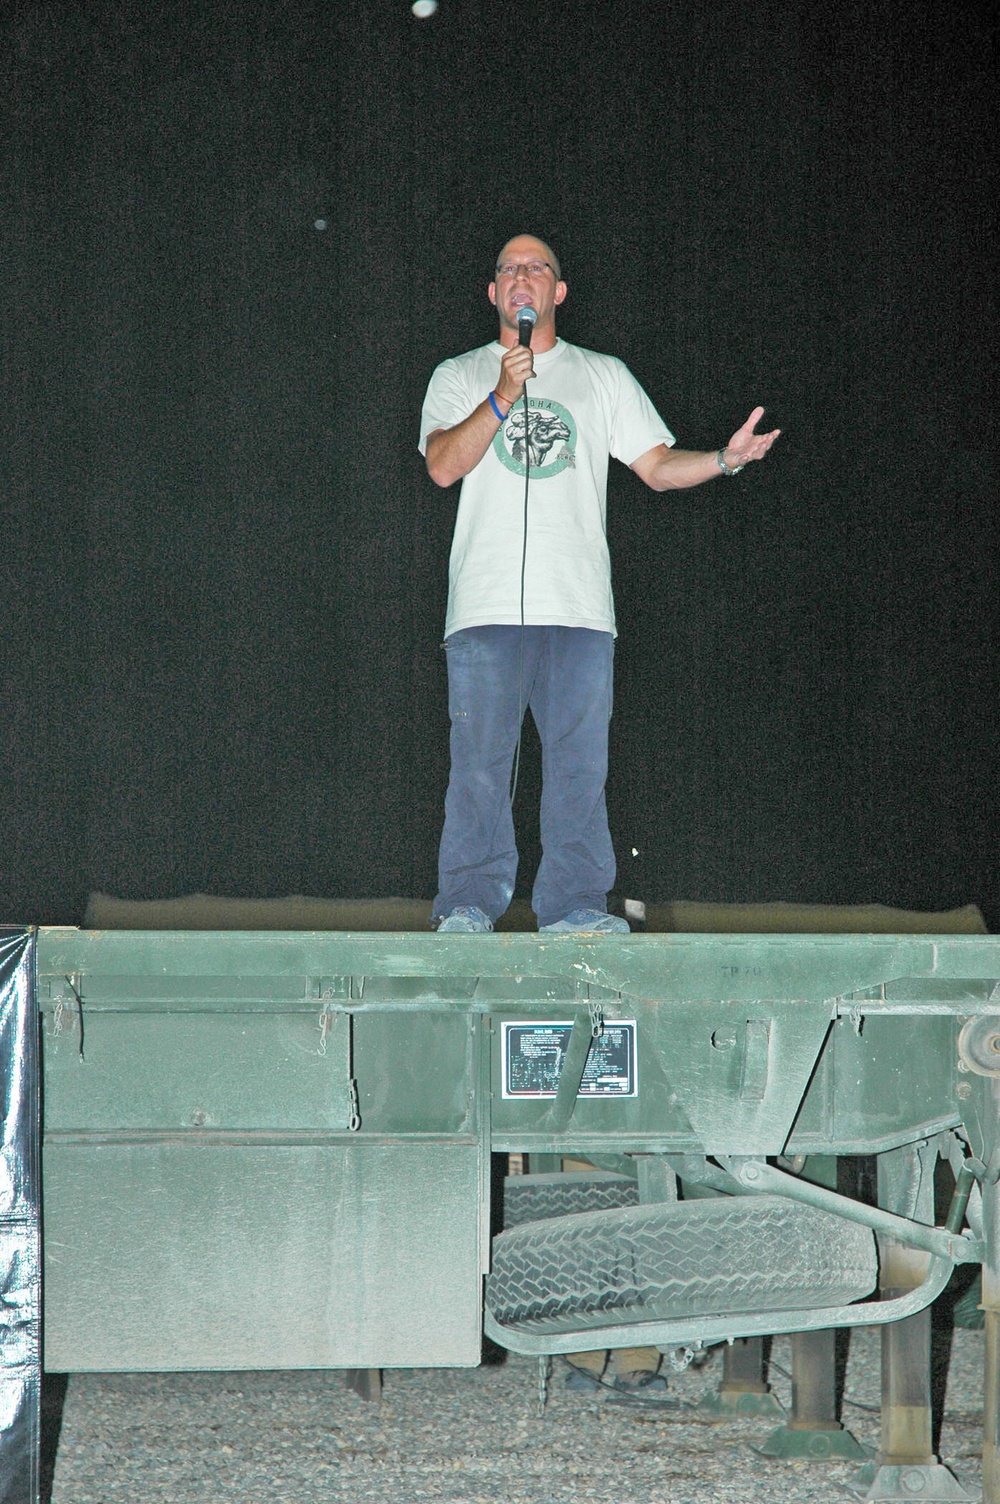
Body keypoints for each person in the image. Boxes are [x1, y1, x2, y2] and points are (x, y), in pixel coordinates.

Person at [420, 234, 779, 934]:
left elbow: (656, 465)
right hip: (485, 605)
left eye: (537, 268)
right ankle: (466, 907)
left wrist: (724, 461)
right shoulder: (459, 375)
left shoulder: (601, 374)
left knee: (580, 773)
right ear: (493, 293)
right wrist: (501, 395)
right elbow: (441, 465)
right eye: (508, 269)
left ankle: (576, 911)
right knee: (479, 770)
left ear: (559, 292)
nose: (522, 278)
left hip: (580, 610)